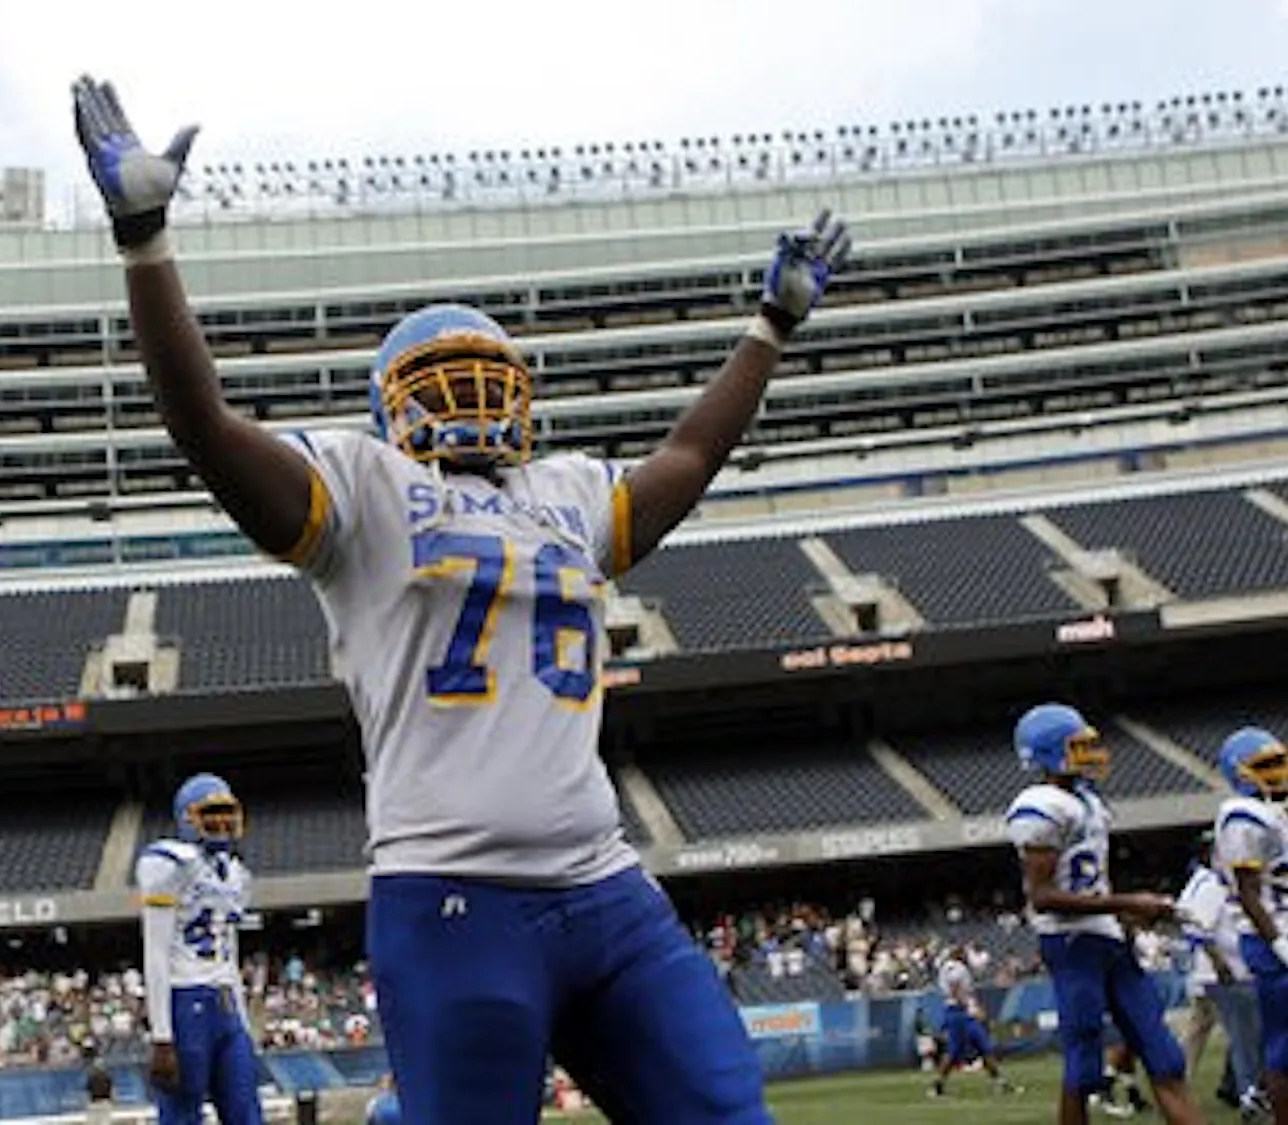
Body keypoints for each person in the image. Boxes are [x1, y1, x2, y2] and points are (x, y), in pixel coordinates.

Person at [71, 74, 850, 1125]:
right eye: (439, 378)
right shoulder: (367, 491)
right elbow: (206, 429)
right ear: (392, 405)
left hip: (608, 889)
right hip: (453, 898)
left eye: (486, 372)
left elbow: (694, 450)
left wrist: (768, 328)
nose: (469, 395)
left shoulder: (569, 495)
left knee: (726, 1113)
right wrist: (146, 241)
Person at [1005, 702, 1204, 1125]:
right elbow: (1043, 897)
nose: (1090, 754)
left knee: (1165, 1057)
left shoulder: (1089, 804)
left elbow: (1093, 884)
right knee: (1083, 1068)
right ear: (1046, 753)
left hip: (1108, 938)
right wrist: (1129, 903)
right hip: (1071, 943)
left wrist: (1133, 917)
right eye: (1078, 747)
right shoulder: (1039, 805)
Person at [135, 773, 261, 1125]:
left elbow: (229, 949)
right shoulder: (167, 863)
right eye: (212, 812)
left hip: (226, 1004)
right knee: (181, 1116)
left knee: (246, 1112)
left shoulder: (236, 873)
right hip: (185, 1000)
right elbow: (156, 950)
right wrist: (162, 1035)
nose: (222, 822)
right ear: (188, 818)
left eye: (227, 812)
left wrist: (244, 1021)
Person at [1214, 726, 1288, 1125]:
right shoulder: (1241, 816)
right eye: (1266, 764)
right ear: (1239, 772)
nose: (1278, 770)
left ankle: (1260, 1094)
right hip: (1270, 935)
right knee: (1284, 1042)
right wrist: (1279, 942)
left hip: (1278, 927)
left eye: (1279, 761)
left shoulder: (1275, 811)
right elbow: (1248, 892)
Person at [1176, 828, 1268, 1121]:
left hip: (1217, 973)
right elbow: (1196, 928)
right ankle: (1247, 1094)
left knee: (1211, 1033)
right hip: (1224, 973)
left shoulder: (1205, 881)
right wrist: (1219, 963)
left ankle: (1229, 1088)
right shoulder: (1209, 883)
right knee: (1245, 1038)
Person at [926, 946, 1020, 1098]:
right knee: (954, 1051)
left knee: (984, 1046)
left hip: (961, 1012)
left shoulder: (950, 967)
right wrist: (971, 1008)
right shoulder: (955, 967)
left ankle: (1000, 1083)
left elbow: (962, 991)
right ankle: (937, 1086)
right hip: (958, 1012)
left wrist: (974, 1006)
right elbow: (955, 989)